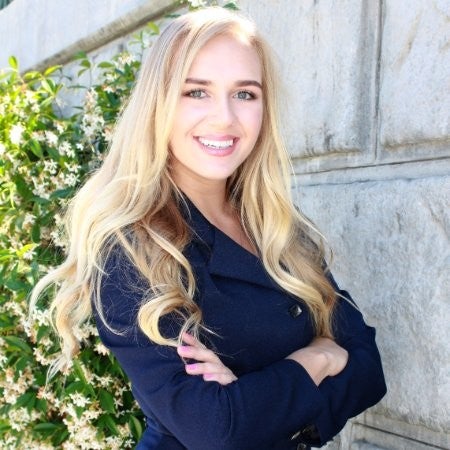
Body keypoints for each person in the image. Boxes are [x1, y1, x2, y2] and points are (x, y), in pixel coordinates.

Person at [31, 7, 386, 450]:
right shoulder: (129, 248)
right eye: (196, 92)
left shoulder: (274, 226)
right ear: (158, 103)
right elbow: (217, 429)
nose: (224, 118)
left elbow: (370, 369)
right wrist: (317, 357)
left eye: (245, 94)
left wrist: (252, 399)